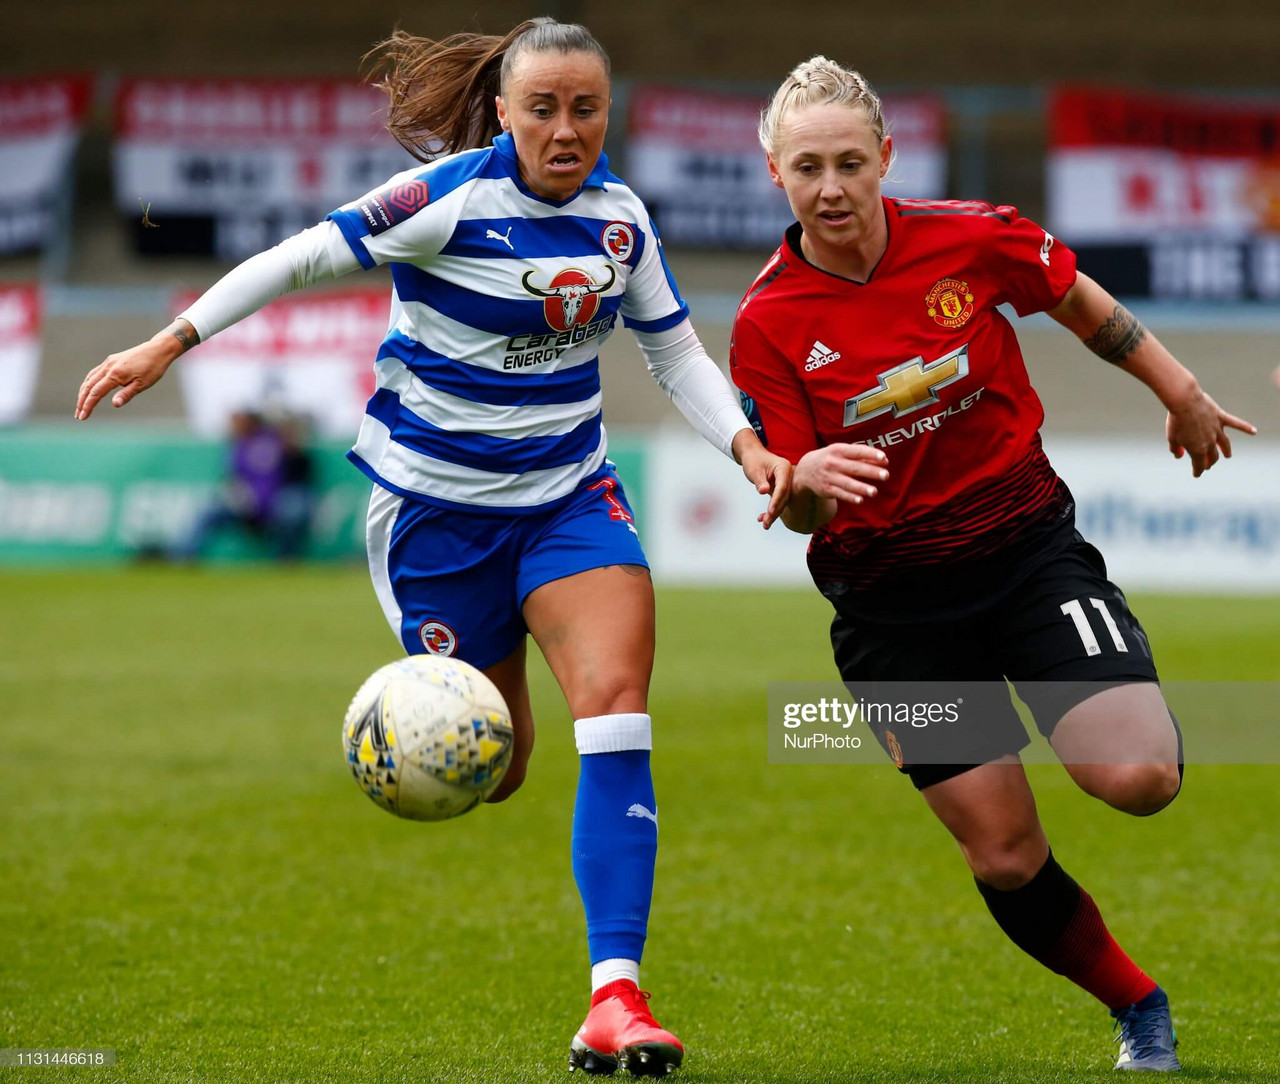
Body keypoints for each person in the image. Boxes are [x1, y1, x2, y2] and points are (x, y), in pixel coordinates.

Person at [76, 19, 792, 1077]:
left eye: (583, 108)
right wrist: (168, 341)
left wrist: (744, 443)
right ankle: (443, 715)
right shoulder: (445, 199)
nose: (564, 129)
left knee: (616, 703)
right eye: (540, 107)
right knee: (499, 770)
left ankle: (615, 997)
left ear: (608, 112)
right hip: (434, 516)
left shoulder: (620, 219)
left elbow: (673, 346)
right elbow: (300, 255)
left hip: (567, 497)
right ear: (502, 110)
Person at [729, 57, 1257, 1074]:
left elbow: (1071, 296)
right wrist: (806, 481)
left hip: (1025, 561)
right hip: (896, 621)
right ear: (774, 175)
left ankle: (1103, 683)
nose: (830, 187)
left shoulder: (970, 236)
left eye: (849, 161)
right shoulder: (766, 320)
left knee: (1140, 778)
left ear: (885, 157)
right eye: (806, 168)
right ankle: (1137, 1005)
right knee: (1006, 853)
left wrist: (1176, 385)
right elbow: (789, 503)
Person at [172, 410, 314, 561]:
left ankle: (287, 557)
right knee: (207, 511)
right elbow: (231, 480)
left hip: (275, 501)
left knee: (294, 509)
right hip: (245, 504)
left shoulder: (277, 441)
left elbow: (299, 470)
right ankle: (184, 555)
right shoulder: (236, 447)